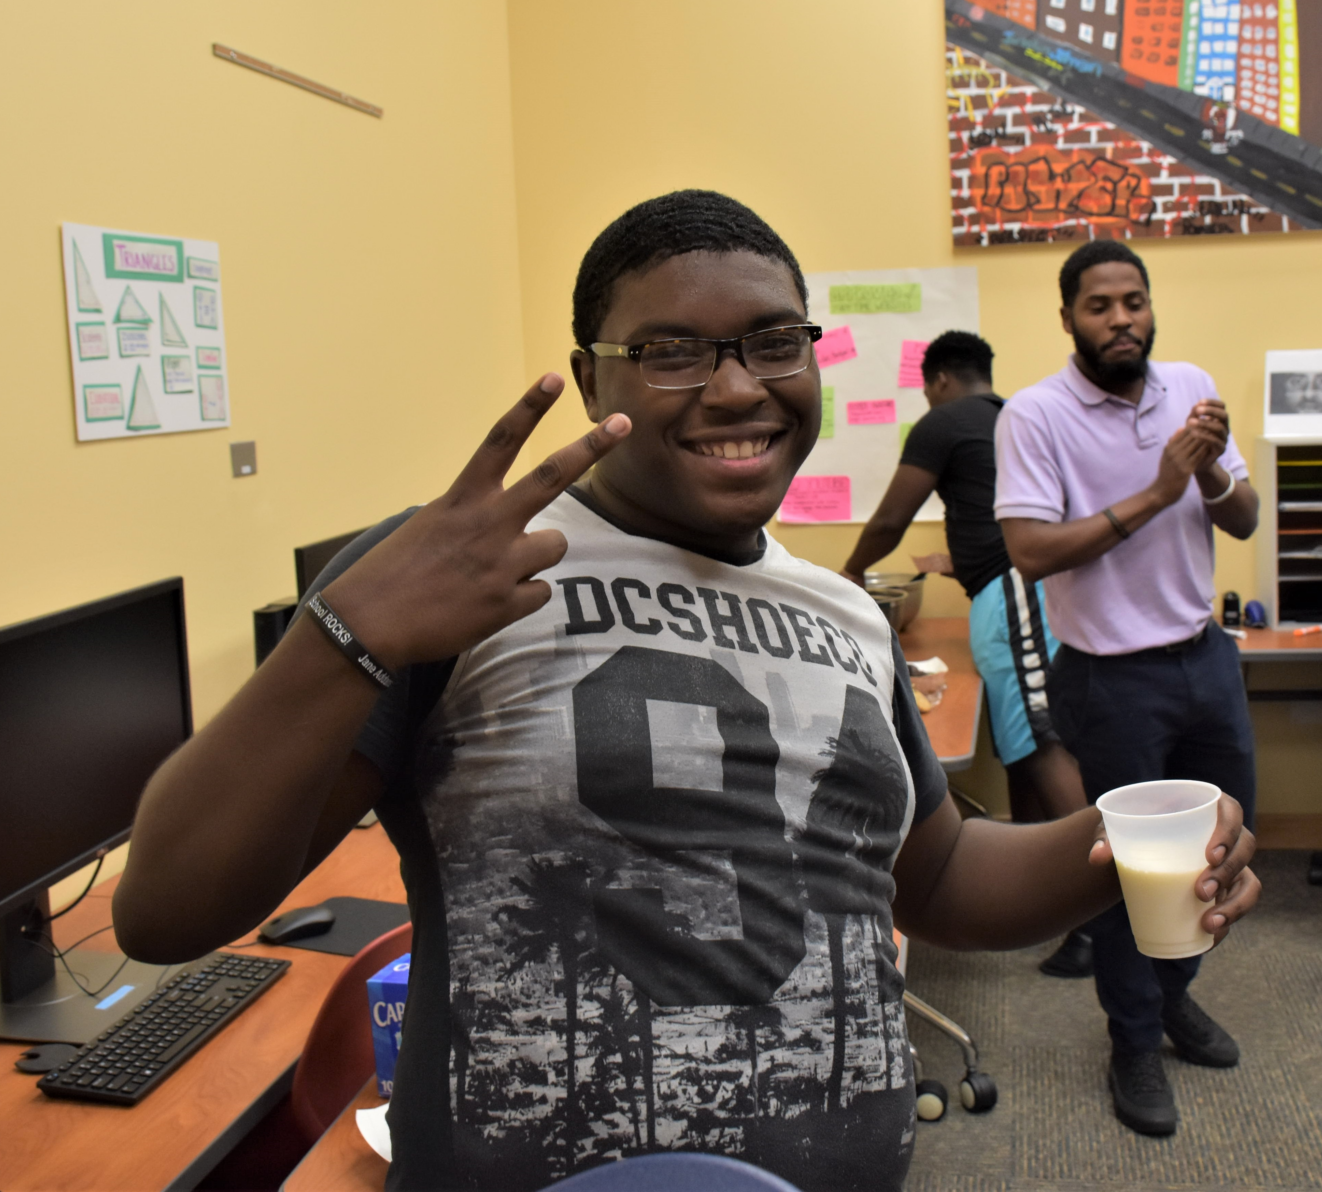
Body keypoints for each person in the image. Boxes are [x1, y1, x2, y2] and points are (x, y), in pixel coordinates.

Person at [114, 194, 1260, 1189]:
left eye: (772, 343)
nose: (733, 390)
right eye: (671, 350)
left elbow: (938, 874)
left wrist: (1111, 844)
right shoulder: (471, 569)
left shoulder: (843, 614)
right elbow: (166, 910)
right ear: (586, 380)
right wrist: (347, 626)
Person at [991, 238, 1262, 1140]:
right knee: (1125, 877)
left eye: (1133, 302)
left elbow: (1244, 515)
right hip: (1110, 678)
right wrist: (1159, 490)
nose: (1121, 320)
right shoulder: (1034, 415)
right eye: (1100, 306)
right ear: (1067, 316)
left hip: (1205, 658)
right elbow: (1029, 551)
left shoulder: (1190, 384)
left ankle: (1173, 998)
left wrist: (1213, 468)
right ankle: (1135, 1042)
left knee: (1217, 853)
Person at [839, 329, 1095, 979]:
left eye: (927, 389)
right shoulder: (1010, 417)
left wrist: (846, 575)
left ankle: (1102, 912)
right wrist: (959, 561)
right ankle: (1050, 903)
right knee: (1019, 742)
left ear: (941, 379)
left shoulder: (943, 420)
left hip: (1013, 593)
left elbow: (890, 519)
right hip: (1015, 590)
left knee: (1039, 739)